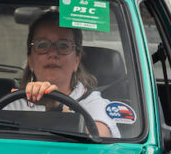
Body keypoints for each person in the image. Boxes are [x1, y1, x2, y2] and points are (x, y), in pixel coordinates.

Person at [8, 10, 119, 138]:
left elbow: (99, 137)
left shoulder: (94, 103)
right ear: (30, 61)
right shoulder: (14, 104)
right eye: (43, 45)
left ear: (77, 60)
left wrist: (57, 107)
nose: (53, 53)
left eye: (63, 46)